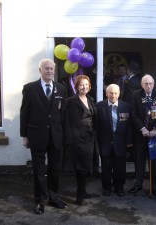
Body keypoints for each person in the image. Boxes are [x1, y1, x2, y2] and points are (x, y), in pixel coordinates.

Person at [20, 58, 68, 214]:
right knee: (39, 170)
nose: (49, 71)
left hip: (56, 136)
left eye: (51, 68)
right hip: (36, 136)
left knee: (54, 169)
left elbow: (63, 114)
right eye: (46, 68)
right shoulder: (30, 88)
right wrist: (24, 136)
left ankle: (54, 197)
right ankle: (40, 201)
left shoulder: (61, 88)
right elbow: (24, 113)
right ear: (40, 70)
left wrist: (64, 136)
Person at [128, 74, 156, 196]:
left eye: (150, 83)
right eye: (146, 83)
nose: (148, 86)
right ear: (142, 85)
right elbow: (134, 114)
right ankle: (138, 185)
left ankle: (154, 187)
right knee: (139, 162)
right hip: (141, 135)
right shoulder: (136, 95)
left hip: (155, 135)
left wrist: (155, 129)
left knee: (154, 162)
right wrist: (143, 128)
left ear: (153, 84)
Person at [63, 75, 97, 205]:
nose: (84, 87)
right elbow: (66, 121)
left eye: (86, 84)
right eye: (81, 84)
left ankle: (82, 191)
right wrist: (68, 138)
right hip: (77, 138)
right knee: (80, 168)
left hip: (89, 137)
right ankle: (80, 194)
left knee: (86, 167)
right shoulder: (71, 101)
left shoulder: (90, 99)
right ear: (77, 86)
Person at [96, 84, 133, 197]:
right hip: (105, 143)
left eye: (115, 93)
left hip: (120, 143)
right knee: (106, 168)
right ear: (106, 93)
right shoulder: (99, 106)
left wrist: (129, 142)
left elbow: (129, 126)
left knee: (120, 168)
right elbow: (96, 127)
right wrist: (98, 143)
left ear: (119, 94)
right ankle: (107, 187)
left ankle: (119, 187)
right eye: (110, 93)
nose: (113, 95)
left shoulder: (126, 106)